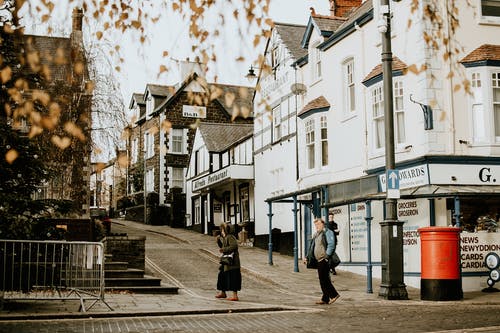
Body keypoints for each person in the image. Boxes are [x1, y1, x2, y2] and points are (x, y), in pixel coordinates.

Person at [306, 218, 340, 305]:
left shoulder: (327, 232)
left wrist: (326, 257)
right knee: (322, 279)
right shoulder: (317, 234)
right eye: (316, 225)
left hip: (324, 259)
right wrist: (307, 257)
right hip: (319, 260)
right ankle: (325, 298)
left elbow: (331, 245)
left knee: (325, 279)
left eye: (318, 224)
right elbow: (312, 247)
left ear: (323, 224)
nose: (317, 226)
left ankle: (334, 295)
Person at [215, 222, 241, 301]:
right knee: (222, 276)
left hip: (232, 262)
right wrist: (218, 241)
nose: (221, 232)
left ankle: (235, 296)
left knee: (233, 277)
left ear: (226, 230)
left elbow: (234, 246)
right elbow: (223, 247)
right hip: (226, 261)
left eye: (223, 230)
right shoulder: (226, 237)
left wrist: (224, 249)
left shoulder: (230, 237)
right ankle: (223, 293)